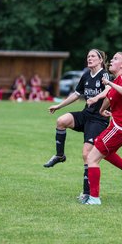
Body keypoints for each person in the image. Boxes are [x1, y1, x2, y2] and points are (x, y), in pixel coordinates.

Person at [43, 49, 110, 202]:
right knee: (61, 121)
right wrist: (59, 106)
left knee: (87, 154)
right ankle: (60, 155)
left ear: (100, 60)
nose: (89, 58)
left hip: (98, 119)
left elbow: (108, 90)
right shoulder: (86, 75)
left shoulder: (104, 75)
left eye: (93, 56)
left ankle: (87, 193)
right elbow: (76, 94)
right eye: (88, 56)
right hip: (86, 115)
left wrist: (95, 99)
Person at [84, 52, 122, 205]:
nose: (112, 61)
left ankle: (94, 198)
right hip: (119, 126)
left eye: (116, 59)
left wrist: (109, 84)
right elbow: (110, 97)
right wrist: (102, 109)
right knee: (102, 149)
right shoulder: (117, 81)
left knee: (92, 158)